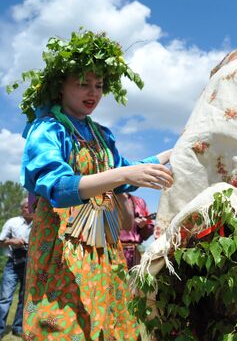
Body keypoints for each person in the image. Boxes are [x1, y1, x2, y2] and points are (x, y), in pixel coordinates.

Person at [14, 30, 173, 340]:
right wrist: (124, 176)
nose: (93, 92)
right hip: (60, 245)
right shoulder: (47, 129)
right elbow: (59, 188)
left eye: (99, 85)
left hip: (101, 244)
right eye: (83, 83)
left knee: (107, 320)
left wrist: (171, 153)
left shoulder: (101, 134)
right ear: (60, 87)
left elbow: (123, 170)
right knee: (64, 321)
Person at [0, 198, 33, 337]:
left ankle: (17, 327)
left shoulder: (39, 224)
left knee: (23, 297)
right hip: (12, 265)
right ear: (22, 209)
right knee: (5, 297)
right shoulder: (12, 222)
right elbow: (1, 241)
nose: (29, 209)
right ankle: (0, 329)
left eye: (31, 207)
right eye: (26, 207)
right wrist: (12, 241)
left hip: (29, 264)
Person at [119, 193, 155, 269]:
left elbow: (145, 236)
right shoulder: (107, 200)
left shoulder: (139, 202)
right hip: (113, 251)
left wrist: (143, 226)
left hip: (134, 255)